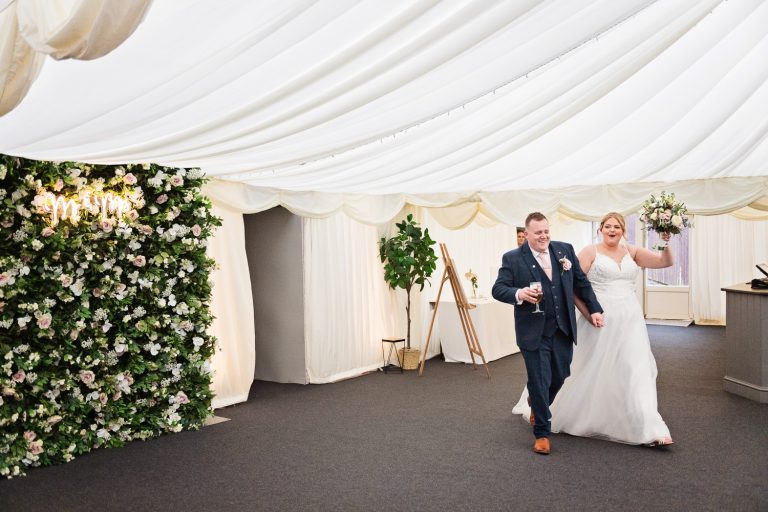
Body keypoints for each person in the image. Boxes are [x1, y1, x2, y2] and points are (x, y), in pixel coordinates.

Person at [512, 212, 675, 447]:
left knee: (635, 370)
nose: (612, 230)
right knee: (581, 370)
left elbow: (664, 262)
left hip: (630, 320)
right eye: (607, 226)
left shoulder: (632, 251)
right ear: (600, 229)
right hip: (599, 320)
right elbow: (572, 285)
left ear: (623, 230)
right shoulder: (590, 252)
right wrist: (589, 314)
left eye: (617, 226)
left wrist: (665, 242)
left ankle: (648, 426)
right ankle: (541, 402)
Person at [492, 212, 604, 455]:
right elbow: (498, 289)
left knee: (561, 374)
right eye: (538, 233)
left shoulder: (564, 250)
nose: (543, 236)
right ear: (526, 234)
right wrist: (519, 293)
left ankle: (536, 400)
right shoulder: (513, 258)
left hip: (562, 328)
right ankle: (542, 432)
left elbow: (581, 283)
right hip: (533, 331)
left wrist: (594, 309)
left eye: (546, 231)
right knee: (539, 379)